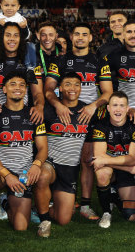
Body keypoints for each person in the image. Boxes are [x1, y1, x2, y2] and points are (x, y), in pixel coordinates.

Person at [44, 22, 114, 221]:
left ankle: (84, 205)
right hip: (64, 113)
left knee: (86, 160)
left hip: (89, 115)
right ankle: (50, 201)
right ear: (71, 38)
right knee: (59, 156)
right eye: (77, 34)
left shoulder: (99, 60)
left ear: (91, 38)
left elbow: (108, 92)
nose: (81, 37)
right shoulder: (61, 60)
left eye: (85, 34)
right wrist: (58, 105)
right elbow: (49, 89)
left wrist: (94, 106)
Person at [0, 71, 48, 245]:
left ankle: (5, 203)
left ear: (26, 90)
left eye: (22, 85)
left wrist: (36, 165)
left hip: (24, 173)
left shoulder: (34, 115)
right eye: (13, 84)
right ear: (5, 89)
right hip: (1, 173)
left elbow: (43, 148)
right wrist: (7, 175)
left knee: (21, 226)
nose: (18, 88)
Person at [34, 72, 95, 237]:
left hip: (70, 171)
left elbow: (88, 150)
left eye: (76, 84)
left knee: (63, 220)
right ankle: (44, 220)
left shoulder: (88, 112)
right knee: (43, 176)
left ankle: (41, 205)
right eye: (67, 84)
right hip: (51, 163)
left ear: (81, 88)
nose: (72, 88)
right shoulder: (49, 111)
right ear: (59, 88)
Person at [91, 91, 135, 229]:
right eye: (114, 105)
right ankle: (106, 212)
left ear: (128, 109)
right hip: (118, 168)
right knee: (102, 173)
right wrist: (127, 167)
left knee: (132, 216)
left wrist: (128, 166)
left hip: (124, 169)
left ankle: (113, 196)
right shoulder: (100, 126)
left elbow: (133, 159)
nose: (118, 109)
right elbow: (99, 158)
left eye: (122, 106)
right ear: (108, 108)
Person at [0, 22, 43, 122]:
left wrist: (39, 106)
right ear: (1, 38)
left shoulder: (29, 62)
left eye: (16, 35)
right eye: (8, 35)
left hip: (22, 117)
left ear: (21, 39)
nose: (12, 39)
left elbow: (38, 93)